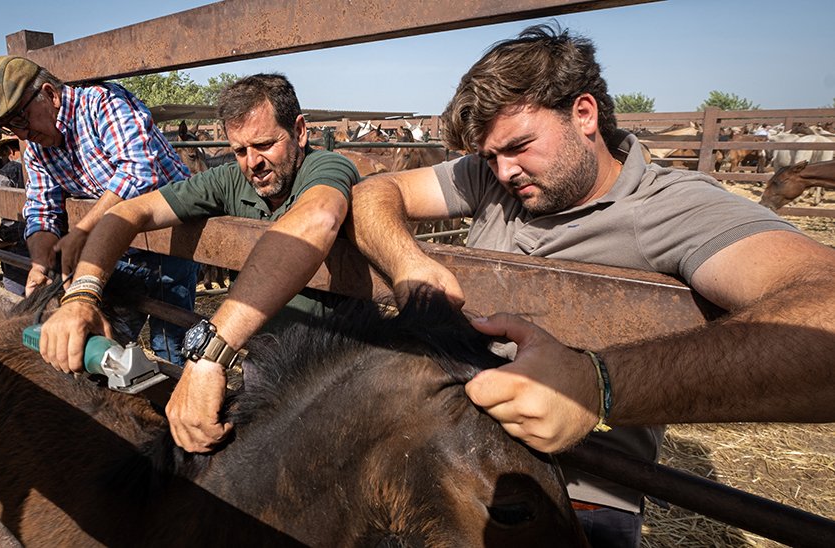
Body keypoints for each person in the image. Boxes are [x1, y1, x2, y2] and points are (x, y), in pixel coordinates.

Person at [348, 24, 835, 547]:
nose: (504, 171)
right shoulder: (490, 174)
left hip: (578, 487)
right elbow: (377, 190)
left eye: (518, 147)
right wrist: (407, 264)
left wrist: (595, 385)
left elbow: (824, 304)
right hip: (440, 454)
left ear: (584, 114)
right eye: (490, 156)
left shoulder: (671, 208)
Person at [37, 73, 358, 453]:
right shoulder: (229, 180)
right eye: (239, 151)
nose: (252, 163)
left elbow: (318, 217)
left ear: (300, 131)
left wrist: (213, 354)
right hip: (265, 360)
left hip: (333, 367)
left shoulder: (326, 168)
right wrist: (82, 295)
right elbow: (128, 213)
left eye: (266, 144)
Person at [0, 55, 198, 364]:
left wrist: (83, 229)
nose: (22, 134)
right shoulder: (38, 150)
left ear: (51, 95)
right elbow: (41, 209)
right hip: (117, 246)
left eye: (20, 119)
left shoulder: (102, 103)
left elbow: (139, 172)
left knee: (171, 342)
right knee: (106, 341)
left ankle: (173, 399)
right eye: (10, 126)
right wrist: (40, 263)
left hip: (169, 237)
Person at [0, 135, 28, 295]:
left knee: (16, 288)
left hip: (17, 239)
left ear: (10, 150)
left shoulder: (10, 170)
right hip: (47, 235)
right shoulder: (43, 165)